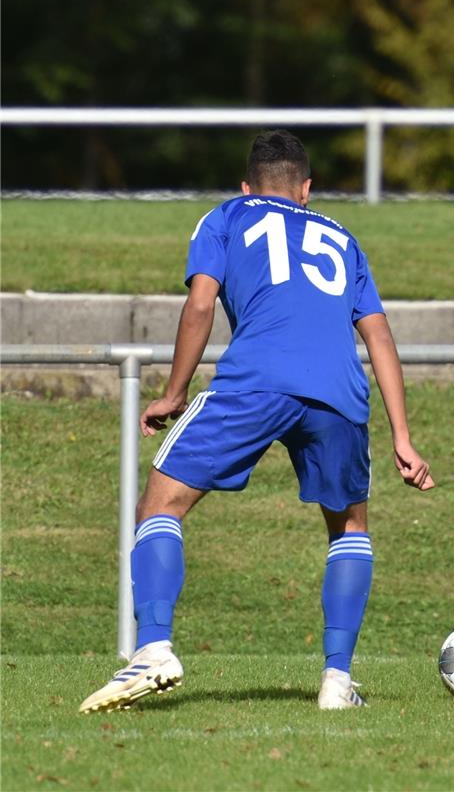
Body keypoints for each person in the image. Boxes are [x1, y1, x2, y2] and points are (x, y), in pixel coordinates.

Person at [79, 130, 435, 714]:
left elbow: (200, 303)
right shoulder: (343, 238)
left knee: (161, 505)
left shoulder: (225, 216)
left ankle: (154, 649)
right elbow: (378, 335)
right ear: (308, 190)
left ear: (248, 187)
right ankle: (337, 683)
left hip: (256, 380)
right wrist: (402, 435)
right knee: (349, 527)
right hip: (339, 394)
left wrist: (173, 391)